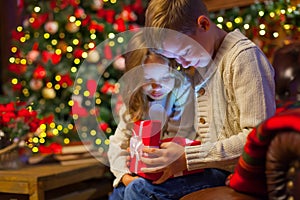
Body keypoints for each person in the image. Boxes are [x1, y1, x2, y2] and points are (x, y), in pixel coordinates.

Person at [116, 0, 276, 199]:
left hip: (236, 172)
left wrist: (187, 157)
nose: (182, 63)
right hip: (209, 165)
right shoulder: (203, 62)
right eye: (175, 57)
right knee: (123, 188)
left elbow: (258, 138)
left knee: (139, 191)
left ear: (204, 25)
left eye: (184, 52)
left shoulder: (244, 58)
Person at [107, 31, 196, 200]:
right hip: (139, 171)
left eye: (164, 77)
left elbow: (180, 137)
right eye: (147, 80)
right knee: (120, 193)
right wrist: (125, 176)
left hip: (172, 169)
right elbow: (118, 143)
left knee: (138, 191)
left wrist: (138, 151)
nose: (157, 87)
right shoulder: (134, 97)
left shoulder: (183, 91)